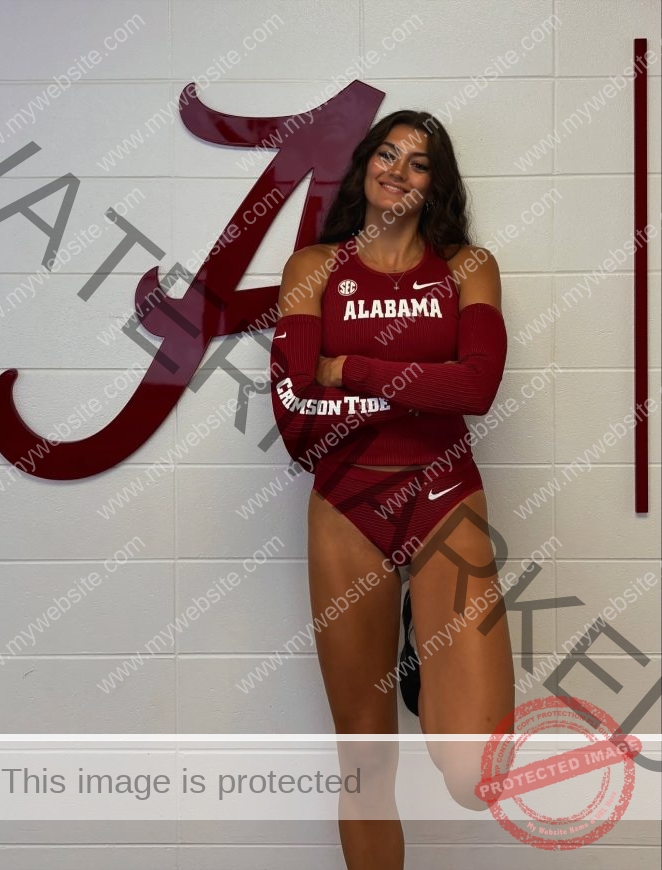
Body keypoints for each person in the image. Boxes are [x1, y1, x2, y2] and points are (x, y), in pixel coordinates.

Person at [269, 109, 514, 870]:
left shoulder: (468, 267)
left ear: (436, 183)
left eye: (418, 162)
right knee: (367, 761)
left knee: (477, 777)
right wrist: (416, 391)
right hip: (348, 503)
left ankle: (423, 645)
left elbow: (475, 387)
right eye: (387, 154)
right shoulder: (314, 269)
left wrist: (356, 373)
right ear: (366, 167)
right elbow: (298, 417)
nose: (398, 171)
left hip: (442, 496)